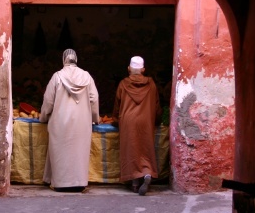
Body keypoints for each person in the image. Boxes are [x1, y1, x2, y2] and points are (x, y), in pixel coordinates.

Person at [38, 49, 100, 192]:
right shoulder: (87, 77)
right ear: (76, 59)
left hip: (60, 122)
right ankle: (79, 182)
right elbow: (94, 99)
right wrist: (95, 118)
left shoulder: (57, 77)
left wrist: (44, 117)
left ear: (64, 60)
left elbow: (48, 101)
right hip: (82, 123)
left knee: (60, 152)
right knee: (79, 153)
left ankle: (60, 183)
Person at [112, 56, 162, 195]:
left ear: (129, 69)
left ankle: (134, 182)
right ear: (143, 70)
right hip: (146, 120)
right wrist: (157, 120)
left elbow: (117, 105)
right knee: (145, 148)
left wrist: (115, 119)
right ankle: (146, 172)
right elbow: (157, 105)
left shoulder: (123, 84)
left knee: (131, 149)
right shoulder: (151, 84)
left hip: (128, 121)